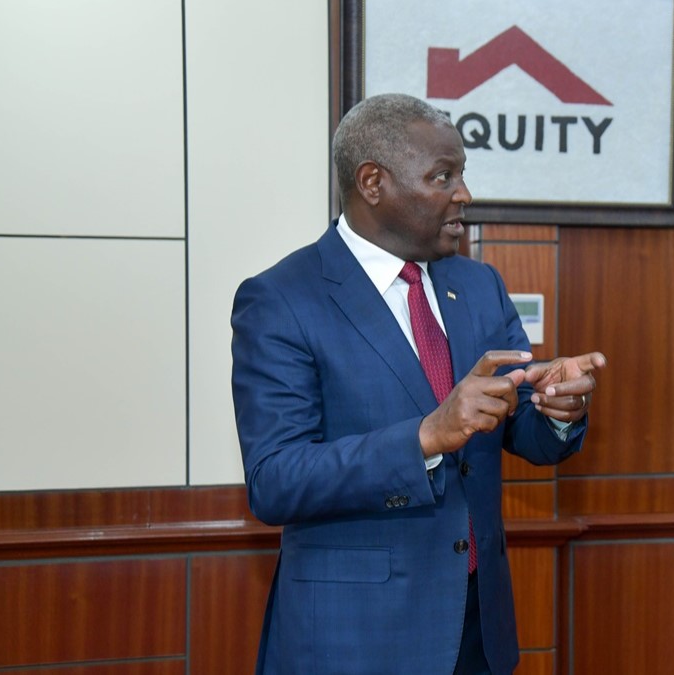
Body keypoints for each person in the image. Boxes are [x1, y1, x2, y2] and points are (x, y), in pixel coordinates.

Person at [231, 93, 606, 675]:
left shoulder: (479, 286)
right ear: (373, 183)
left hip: (477, 630)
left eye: (462, 174)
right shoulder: (282, 299)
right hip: (353, 639)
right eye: (443, 176)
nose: (464, 194)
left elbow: (521, 429)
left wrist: (558, 409)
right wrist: (427, 435)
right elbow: (275, 481)